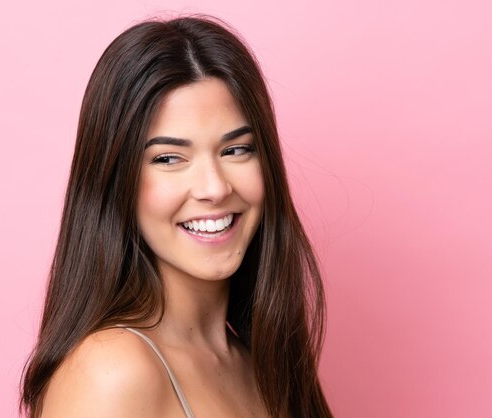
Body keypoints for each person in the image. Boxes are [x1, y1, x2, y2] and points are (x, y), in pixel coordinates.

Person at [20, 15, 333, 418]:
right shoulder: (112, 373)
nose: (215, 187)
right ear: (117, 182)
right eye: (169, 158)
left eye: (236, 150)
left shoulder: (260, 363)